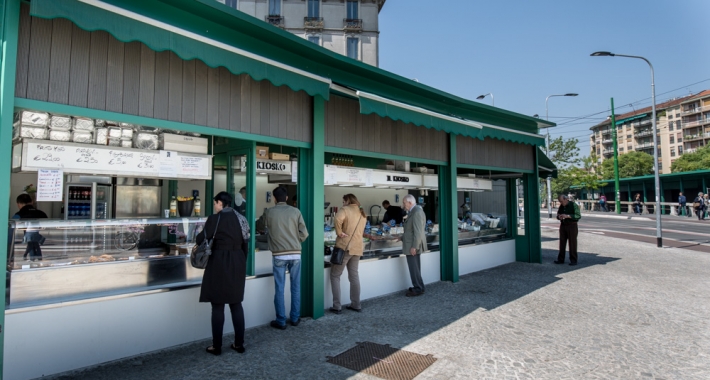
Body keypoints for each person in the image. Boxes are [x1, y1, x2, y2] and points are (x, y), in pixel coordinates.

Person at [196, 191, 250, 356]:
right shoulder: (242, 219)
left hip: (219, 262)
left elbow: (200, 239)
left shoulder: (215, 219)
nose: (215, 206)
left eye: (215, 203)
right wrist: (241, 261)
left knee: (217, 305)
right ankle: (239, 344)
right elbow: (246, 242)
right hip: (238, 260)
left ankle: (217, 346)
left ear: (220, 203)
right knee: (236, 303)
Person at [262, 186, 309, 329]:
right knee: (295, 287)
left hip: (279, 255)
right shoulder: (296, 211)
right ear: (287, 198)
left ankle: (281, 321)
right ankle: (295, 318)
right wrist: (296, 241)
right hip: (295, 253)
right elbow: (304, 233)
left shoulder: (269, 212)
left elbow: (260, 226)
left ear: (274, 199)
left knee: (280, 288)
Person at [329, 194, 367, 314]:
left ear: (347, 201)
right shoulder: (362, 212)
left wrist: (339, 232)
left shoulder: (345, 210)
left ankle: (337, 306)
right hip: (357, 248)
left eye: (343, 201)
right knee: (354, 276)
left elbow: (337, 219)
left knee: (335, 275)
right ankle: (356, 304)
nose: (342, 203)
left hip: (345, 247)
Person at [400, 194, 427, 297]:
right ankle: (419, 286)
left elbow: (418, 232)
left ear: (410, 202)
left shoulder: (416, 212)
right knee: (415, 268)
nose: (403, 205)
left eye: (404, 202)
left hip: (413, 246)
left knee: (414, 268)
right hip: (412, 244)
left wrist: (414, 247)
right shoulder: (414, 211)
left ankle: (418, 288)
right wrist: (402, 237)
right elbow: (410, 231)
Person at [13, 194, 47, 261]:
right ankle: (36, 257)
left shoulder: (18, 215)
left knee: (31, 245)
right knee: (34, 244)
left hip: (28, 234)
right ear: (31, 202)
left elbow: (13, 226)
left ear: (18, 204)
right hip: (36, 233)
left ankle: (32, 257)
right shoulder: (42, 213)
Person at [554, 194, 581, 266]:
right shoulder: (561, 206)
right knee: (562, 243)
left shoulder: (573, 205)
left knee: (572, 243)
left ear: (566, 199)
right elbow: (558, 214)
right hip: (563, 225)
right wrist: (559, 217)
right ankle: (561, 259)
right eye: (560, 202)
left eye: (562, 201)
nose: (561, 203)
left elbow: (578, 216)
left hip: (572, 225)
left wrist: (568, 216)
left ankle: (573, 260)